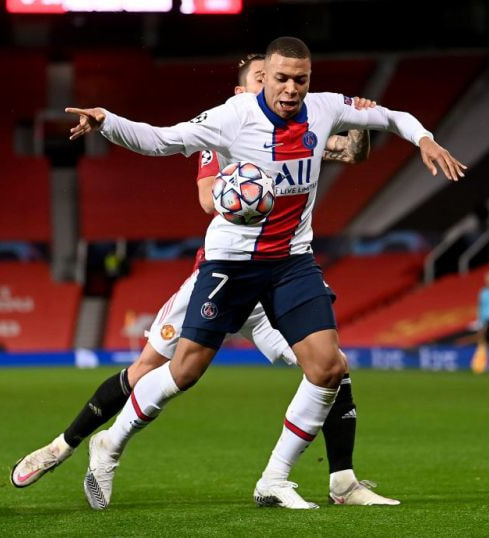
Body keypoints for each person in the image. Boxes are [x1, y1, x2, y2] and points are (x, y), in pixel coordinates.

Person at [66, 36, 465, 510]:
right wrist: (106, 121)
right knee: (186, 370)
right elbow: (163, 138)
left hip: (292, 261)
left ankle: (275, 479)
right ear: (266, 77)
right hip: (231, 263)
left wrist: (423, 137)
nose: (292, 89)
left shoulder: (323, 109)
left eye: (301, 79)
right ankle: (110, 443)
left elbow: (391, 117)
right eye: (282, 78)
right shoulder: (232, 119)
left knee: (329, 367)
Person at [11, 53, 395, 507]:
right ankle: (70, 443)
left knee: (332, 366)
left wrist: (364, 122)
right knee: (150, 371)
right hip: (221, 273)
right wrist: (245, 193)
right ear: (242, 91)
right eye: (263, 80)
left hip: (276, 278)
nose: (285, 91)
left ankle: (341, 478)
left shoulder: (299, 130)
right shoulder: (224, 132)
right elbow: (206, 199)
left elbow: (352, 151)